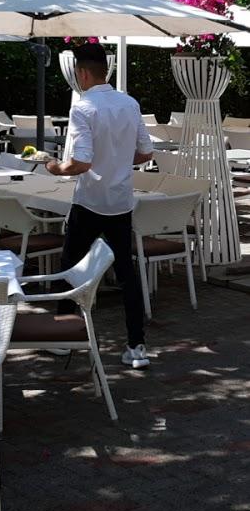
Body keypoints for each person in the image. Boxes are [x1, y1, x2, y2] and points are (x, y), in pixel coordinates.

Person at [44, 42, 154, 369]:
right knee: (127, 275)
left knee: (68, 266)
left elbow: (80, 162)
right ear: (105, 69)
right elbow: (146, 153)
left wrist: (54, 167)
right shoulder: (130, 103)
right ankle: (137, 347)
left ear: (82, 72)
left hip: (91, 200)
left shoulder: (83, 106)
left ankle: (64, 340)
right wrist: (119, 161)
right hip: (120, 201)